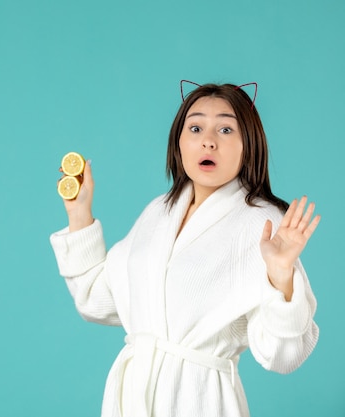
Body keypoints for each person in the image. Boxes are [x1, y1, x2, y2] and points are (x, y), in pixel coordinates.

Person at [49, 82, 320, 417]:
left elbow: (284, 356)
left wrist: (282, 277)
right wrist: (79, 215)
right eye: (195, 127)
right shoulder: (158, 212)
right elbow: (97, 301)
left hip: (200, 399)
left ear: (248, 146)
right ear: (179, 144)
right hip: (132, 399)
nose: (208, 140)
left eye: (225, 128)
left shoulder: (263, 224)